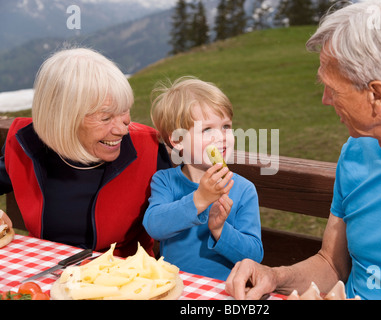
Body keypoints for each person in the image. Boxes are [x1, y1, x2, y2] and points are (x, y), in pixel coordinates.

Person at [225, 0, 381, 300]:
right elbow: (331, 263)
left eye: (332, 87)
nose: (325, 99)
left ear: (377, 95)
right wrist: (274, 276)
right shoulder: (356, 151)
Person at [0, 48, 171, 257]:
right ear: (63, 119)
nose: (123, 129)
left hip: (127, 279)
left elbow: (188, 214)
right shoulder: (25, 144)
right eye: (106, 118)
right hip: (46, 273)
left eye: (125, 110)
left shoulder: (149, 149)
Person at [143, 77, 264, 281]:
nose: (221, 136)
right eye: (207, 129)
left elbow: (254, 256)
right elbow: (154, 226)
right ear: (178, 140)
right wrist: (199, 199)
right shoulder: (164, 181)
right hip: (174, 287)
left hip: (223, 290)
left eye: (226, 126)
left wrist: (219, 229)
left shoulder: (243, 190)